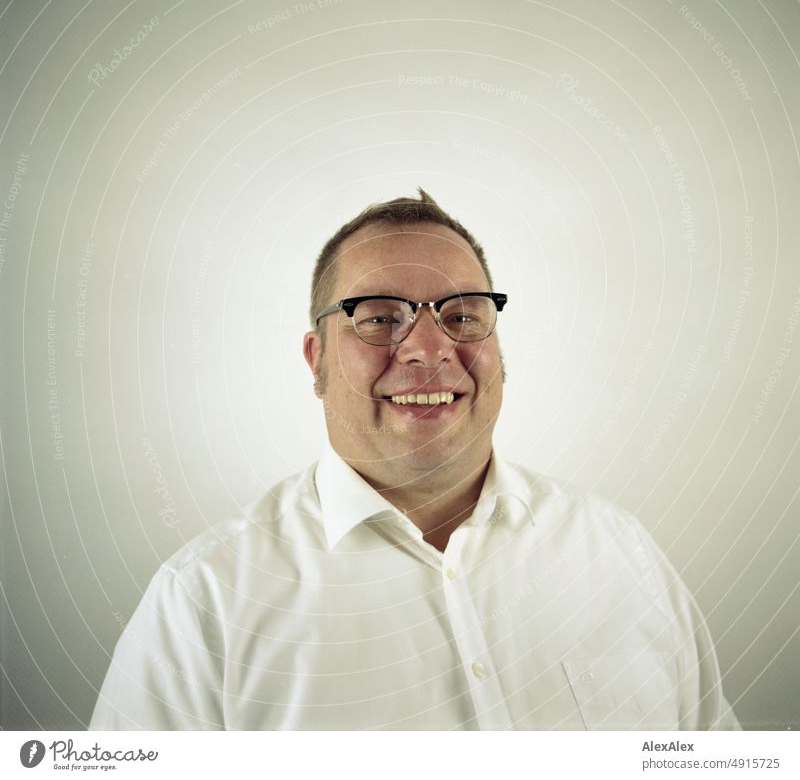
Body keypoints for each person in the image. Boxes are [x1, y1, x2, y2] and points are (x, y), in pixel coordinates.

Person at [91, 189, 739, 730]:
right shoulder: (204, 604)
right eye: (378, 318)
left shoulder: (620, 551)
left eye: (463, 315)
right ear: (317, 358)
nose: (429, 347)